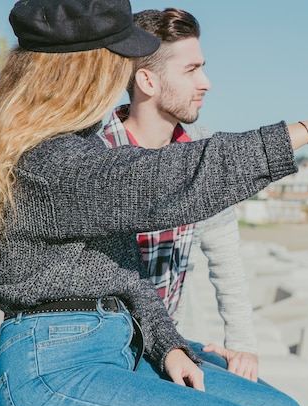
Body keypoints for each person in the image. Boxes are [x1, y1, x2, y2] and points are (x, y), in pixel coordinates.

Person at [0, 0, 308, 406]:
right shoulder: (47, 161)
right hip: (55, 366)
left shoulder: (79, 149)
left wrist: (168, 346)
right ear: (89, 72)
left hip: (121, 343)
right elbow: (162, 180)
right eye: (117, 59)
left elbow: (126, 277)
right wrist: (303, 133)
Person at [101, 8, 260, 382]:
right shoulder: (94, 151)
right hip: (102, 351)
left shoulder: (200, 152)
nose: (205, 82)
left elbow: (226, 259)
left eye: (202, 67)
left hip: (168, 354)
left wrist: (242, 345)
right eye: (190, 71)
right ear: (147, 81)